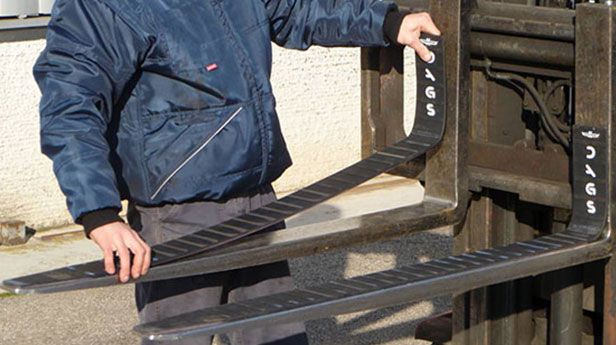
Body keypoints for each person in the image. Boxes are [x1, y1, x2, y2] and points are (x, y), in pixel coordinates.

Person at [34, 0, 440, 344]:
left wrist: (389, 22)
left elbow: (298, 10)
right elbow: (69, 106)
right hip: (179, 215)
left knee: (279, 336)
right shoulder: (101, 6)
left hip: (257, 200)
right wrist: (98, 214)